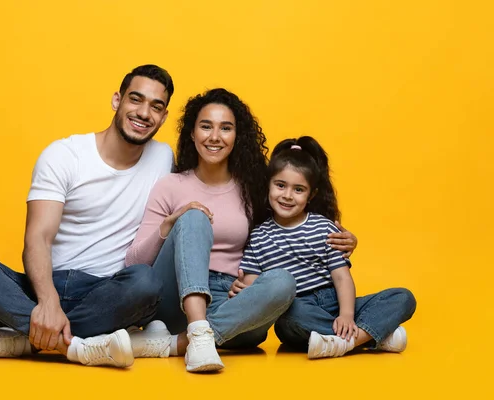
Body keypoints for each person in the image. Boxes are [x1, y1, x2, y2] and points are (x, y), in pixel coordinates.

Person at [0, 64, 176, 368]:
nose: (144, 113)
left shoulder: (164, 158)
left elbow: (210, 181)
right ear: (117, 100)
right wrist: (48, 302)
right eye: (136, 99)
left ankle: (21, 340)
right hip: (43, 285)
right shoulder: (64, 155)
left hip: (108, 294)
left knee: (146, 283)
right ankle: (80, 346)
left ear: (164, 117)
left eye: (156, 107)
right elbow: (38, 238)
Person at [125, 90, 358, 372]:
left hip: (234, 304)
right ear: (191, 133)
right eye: (206, 126)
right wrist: (170, 224)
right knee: (195, 216)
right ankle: (197, 332)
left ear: (237, 137)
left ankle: (178, 344)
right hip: (176, 300)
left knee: (283, 282)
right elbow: (135, 264)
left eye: (226, 128)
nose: (215, 136)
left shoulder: (254, 188)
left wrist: (340, 237)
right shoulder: (170, 185)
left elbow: (297, 213)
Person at [237, 136, 417, 359]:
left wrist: (347, 315)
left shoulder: (323, 226)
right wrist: (244, 289)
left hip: (335, 300)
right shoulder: (259, 236)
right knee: (286, 318)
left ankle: (345, 341)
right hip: (299, 308)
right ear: (268, 186)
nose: (287, 195)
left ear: (311, 195)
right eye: (280, 185)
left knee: (403, 297)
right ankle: (370, 336)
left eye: (298, 189)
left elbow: (342, 278)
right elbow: (254, 283)